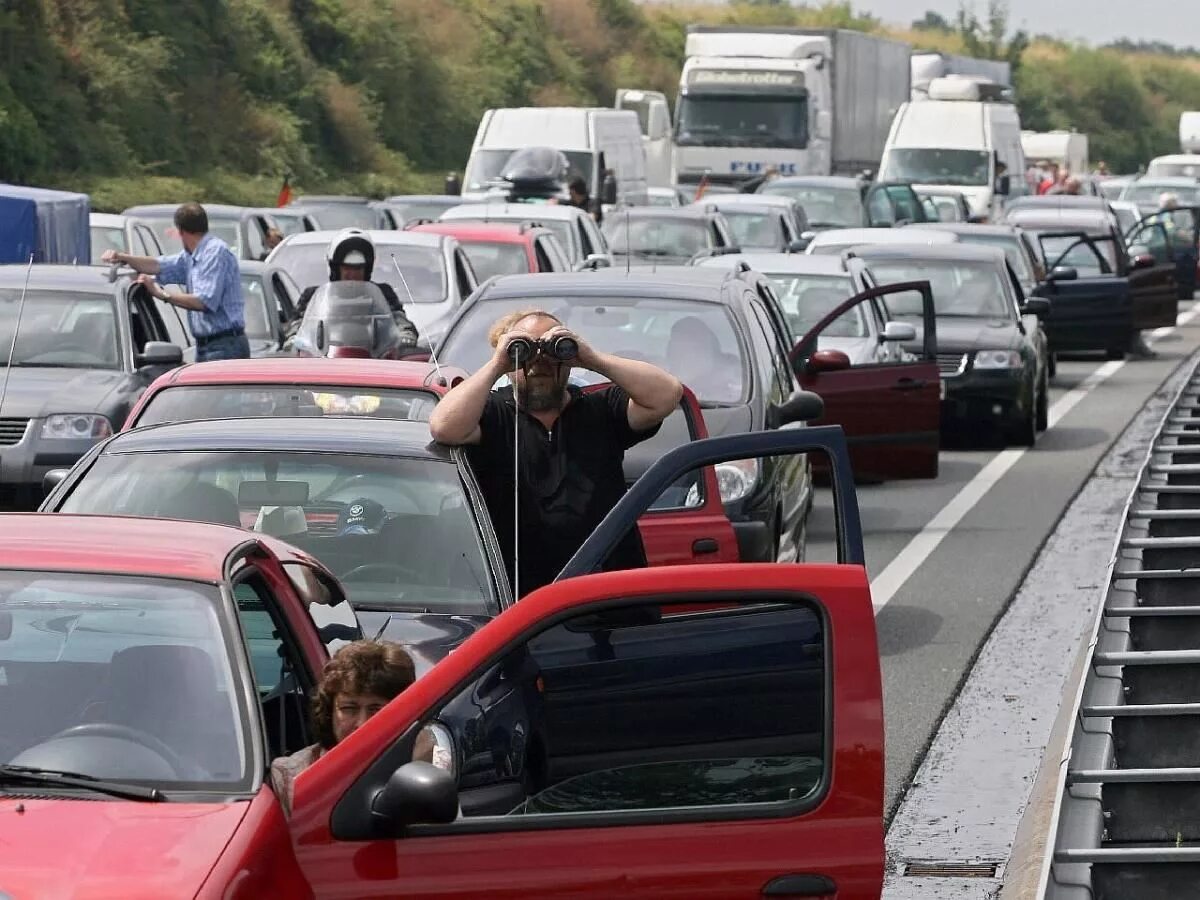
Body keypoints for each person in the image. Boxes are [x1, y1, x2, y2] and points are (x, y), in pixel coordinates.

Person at [428, 309, 683, 598]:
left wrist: (591, 357)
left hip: (604, 596)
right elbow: (443, 427)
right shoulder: (493, 415)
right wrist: (498, 363)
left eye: (552, 354)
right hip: (519, 600)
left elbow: (667, 395)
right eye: (525, 354)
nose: (540, 365)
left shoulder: (601, 410)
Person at [269, 639, 434, 817]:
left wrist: (416, 764)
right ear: (329, 711)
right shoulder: (290, 775)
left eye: (376, 710)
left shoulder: (422, 757)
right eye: (349, 709)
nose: (361, 723)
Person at [101, 202, 249, 361]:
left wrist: (160, 294)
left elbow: (204, 301)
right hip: (208, 346)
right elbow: (159, 265)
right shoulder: (192, 256)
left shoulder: (215, 253)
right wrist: (123, 258)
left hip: (225, 346)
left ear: (181, 231)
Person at [292, 229, 420, 349]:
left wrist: (405, 337)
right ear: (335, 268)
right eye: (347, 268)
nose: (352, 274)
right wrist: (294, 342)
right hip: (324, 360)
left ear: (367, 269)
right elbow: (297, 328)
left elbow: (400, 321)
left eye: (358, 268)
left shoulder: (383, 294)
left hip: (374, 359)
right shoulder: (313, 296)